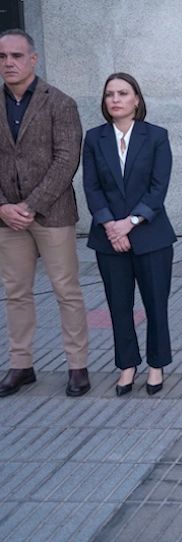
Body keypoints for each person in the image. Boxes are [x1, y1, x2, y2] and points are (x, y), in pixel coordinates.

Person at [0, 29, 90, 398]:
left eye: (16, 56)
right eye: (3, 56)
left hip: (51, 214)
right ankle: (21, 365)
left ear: (33, 59)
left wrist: (30, 205)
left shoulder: (61, 103)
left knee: (66, 290)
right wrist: (4, 206)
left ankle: (77, 366)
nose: (8, 63)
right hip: (6, 217)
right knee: (16, 292)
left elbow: (67, 159)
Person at [82, 73, 176, 396]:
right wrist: (111, 225)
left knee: (155, 305)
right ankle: (127, 365)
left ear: (137, 99)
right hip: (109, 239)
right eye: (110, 94)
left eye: (123, 93)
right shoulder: (95, 139)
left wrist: (130, 223)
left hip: (151, 237)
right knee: (118, 305)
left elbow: (158, 188)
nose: (116, 99)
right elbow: (91, 188)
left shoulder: (157, 137)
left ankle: (156, 364)